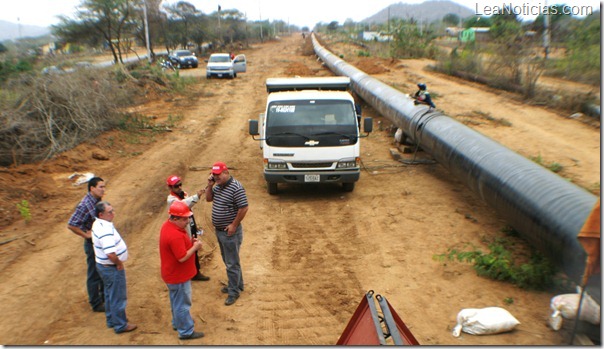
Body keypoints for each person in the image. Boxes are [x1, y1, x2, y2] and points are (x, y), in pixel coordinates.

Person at [159, 201, 205, 340]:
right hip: (178, 276)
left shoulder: (168, 226)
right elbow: (182, 257)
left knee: (176, 301)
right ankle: (185, 331)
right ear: (175, 218)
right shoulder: (175, 235)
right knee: (183, 304)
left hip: (172, 274)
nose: (188, 221)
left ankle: (178, 322)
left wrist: (190, 242)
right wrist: (195, 247)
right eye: (184, 218)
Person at [205, 161, 249, 306]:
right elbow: (208, 198)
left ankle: (233, 292)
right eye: (214, 175)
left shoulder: (236, 187)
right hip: (220, 231)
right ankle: (237, 284)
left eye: (218, 175)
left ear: (226, 173)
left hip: (230, 232)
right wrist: (210, 185)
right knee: (229, 260)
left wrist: (233, 225)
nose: (215, 177)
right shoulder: (218, 186)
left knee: (231, 263)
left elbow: (243, 208)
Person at [91, 201, 137, 334]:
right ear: (101, 214)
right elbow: (110, 253)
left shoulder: (98, 223)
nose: (113, 214)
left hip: (103, 266)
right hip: (111, 267)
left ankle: (112, 319)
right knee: (117, 296)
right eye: (109, 212)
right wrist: (118, 263)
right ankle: (120, 324)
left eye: (113, 210)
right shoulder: (105, 229)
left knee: (109, 293)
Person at [67, 176, 106, 312]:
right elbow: (72, 224)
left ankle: (103, 298)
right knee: (94, 273)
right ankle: (96, 303)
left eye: (104, 186)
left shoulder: (95, 201)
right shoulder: (85, 204)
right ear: (92, 188)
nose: (103, 190)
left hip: (99, 241)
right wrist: (85, 234)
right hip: (92, 244)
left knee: (101, 269)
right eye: (101, 187)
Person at [166, 175, 210, 282]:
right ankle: (187, 274)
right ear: (170, 188)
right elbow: (184, 205)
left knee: (193, 249)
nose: (179, 187)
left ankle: (195, 272)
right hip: (181, 228)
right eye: (176, 186)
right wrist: (196, 196)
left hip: (189, 223)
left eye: (180, 184)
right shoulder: (171, 200)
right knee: (185, 251)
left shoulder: (183, 194)